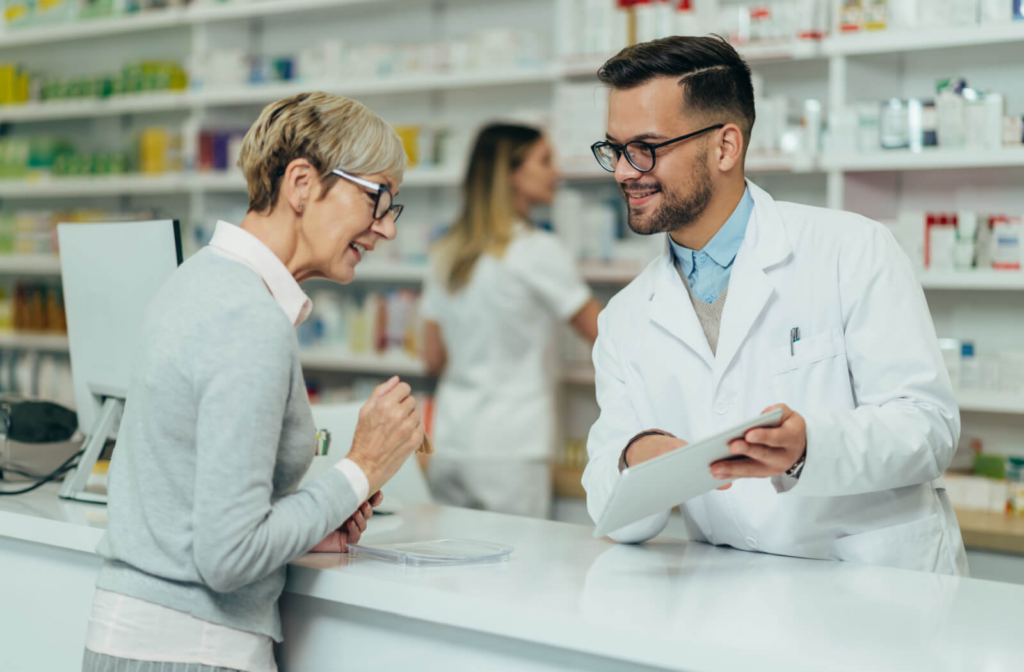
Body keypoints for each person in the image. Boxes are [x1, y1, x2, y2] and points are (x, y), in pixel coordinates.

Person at [583, 37, 968, 576]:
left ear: (725, 146)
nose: (624, 171)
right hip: (736, 596)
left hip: (879, 592)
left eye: (646, 147)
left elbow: (929, 430)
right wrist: (637, 457)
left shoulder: (850, 249)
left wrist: (809, 445)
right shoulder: (625, 317)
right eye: (615, 149)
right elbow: (612, 515)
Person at [82, 92, 425, 672]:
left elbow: (198, 513)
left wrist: (306, 524)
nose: (386, 229)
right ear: (301, 183)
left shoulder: (198, 280)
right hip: (193, 651)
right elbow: (230, 558)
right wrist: (361, 467)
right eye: (378, 199)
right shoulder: (249, 319)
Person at [421, 123, 601, 519]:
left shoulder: (446, 252)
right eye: (544, 161)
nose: (556, 172)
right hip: (511, 450)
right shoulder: (537, 250)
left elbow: (432, 357)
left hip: (451, 443)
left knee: (450, 571)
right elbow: (604, 335)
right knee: (514, 574)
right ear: (511, 174)